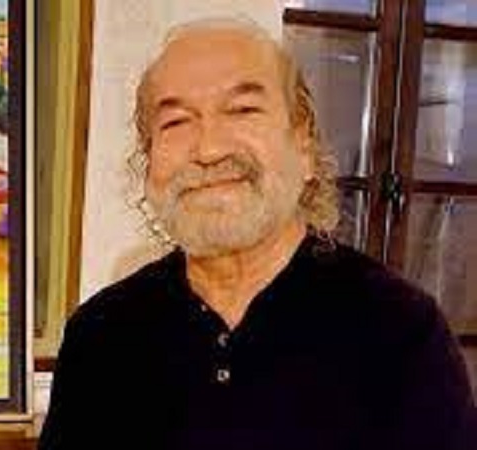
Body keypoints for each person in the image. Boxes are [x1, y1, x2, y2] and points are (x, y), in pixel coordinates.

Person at [38, 15, 477, 450]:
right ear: (148, 160)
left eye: (242, 110)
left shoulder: (401, 333)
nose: (209, 149)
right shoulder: (101, 337)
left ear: (304, 146)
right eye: (176, 122)